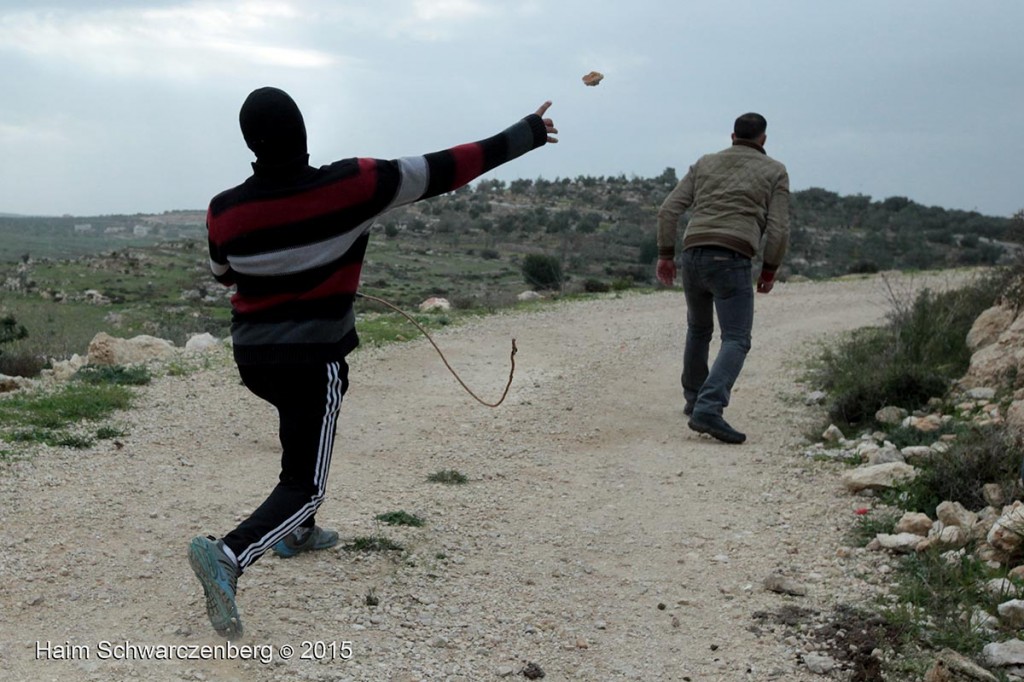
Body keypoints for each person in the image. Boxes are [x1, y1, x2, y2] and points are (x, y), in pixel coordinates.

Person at [188, 86, 558, 637]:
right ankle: (230, 555)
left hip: (253, 360)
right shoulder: (355, 183)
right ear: (304, 133)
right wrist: (525, 134)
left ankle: (299, 532)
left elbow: (225, 275)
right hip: (312, 359)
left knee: (301, 424)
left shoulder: (224, 209)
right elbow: (444, 170)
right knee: (305, 480)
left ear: (250, 144)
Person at [654, 112, 789, 444]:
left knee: (699, 329)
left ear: (732, 136)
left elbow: (668, 210)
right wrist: (770, 269)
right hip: (732, 257)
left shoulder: (705, 163)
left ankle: (694, 399)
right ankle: (709, 408)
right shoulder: (775, 171)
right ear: (764, 140)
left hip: (694, 253)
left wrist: (666, 255)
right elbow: (779, 228)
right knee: (737, 338)